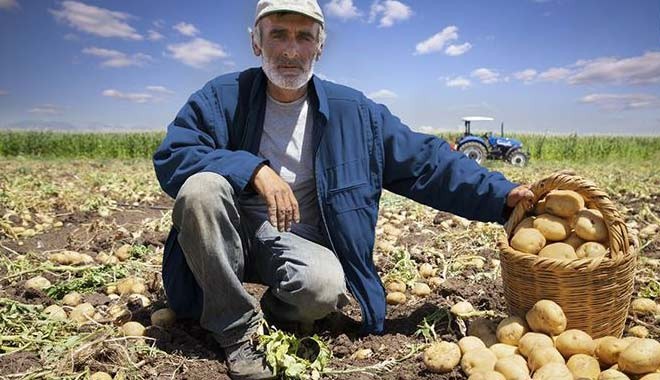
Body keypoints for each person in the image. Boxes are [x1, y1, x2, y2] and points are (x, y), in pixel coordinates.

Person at [153, 0, 533, 378]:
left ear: (320, 45)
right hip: (227, 235)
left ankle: (270, 313)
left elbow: (425, 161)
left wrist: (500, 196)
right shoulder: (222, 97)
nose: (290, 50)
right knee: (202, 188)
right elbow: (175, 155)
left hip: (294, 243)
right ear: (256, 42)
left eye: (304, 37)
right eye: (278, 35)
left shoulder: (354, 113)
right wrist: (253, 169)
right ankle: (237, 333)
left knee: (322, 289)